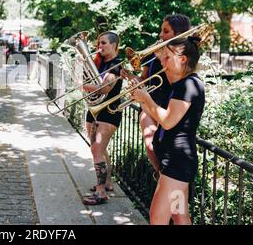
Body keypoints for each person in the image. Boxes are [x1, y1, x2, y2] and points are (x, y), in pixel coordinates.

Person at [131, 35, 205, 225]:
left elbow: (168, 121)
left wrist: (146, 98)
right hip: (173, 160)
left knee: (157, 218)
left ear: (182, 59)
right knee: (179, 216)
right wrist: (141, 99)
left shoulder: (188, 85)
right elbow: (159, 115)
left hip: (177, 164)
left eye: (166, 57)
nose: (161, 61)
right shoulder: (178, 86)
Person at [122, 14, 191, 177]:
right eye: (161, 30)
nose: (160, 35)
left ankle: (167, 178)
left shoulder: (182, 57)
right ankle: (161, 174)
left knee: (162, 146)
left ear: (178, 33)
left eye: (165, 31)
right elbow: (145, 80)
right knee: (150, 144)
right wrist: (131, 78)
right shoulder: (154, 54)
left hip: (170, 108)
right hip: (149, 103)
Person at [81, 32, 123, 205]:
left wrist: (82, 85)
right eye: (99, 42)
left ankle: (100, 193)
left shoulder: (116, 64)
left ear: (114, 45)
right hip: (94, 109)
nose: (100, 46)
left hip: (108, 111)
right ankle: (106, 183)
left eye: (104, 43)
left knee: (97, 149)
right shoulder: (99, 62)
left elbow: (104, 88)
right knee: (97, 147)